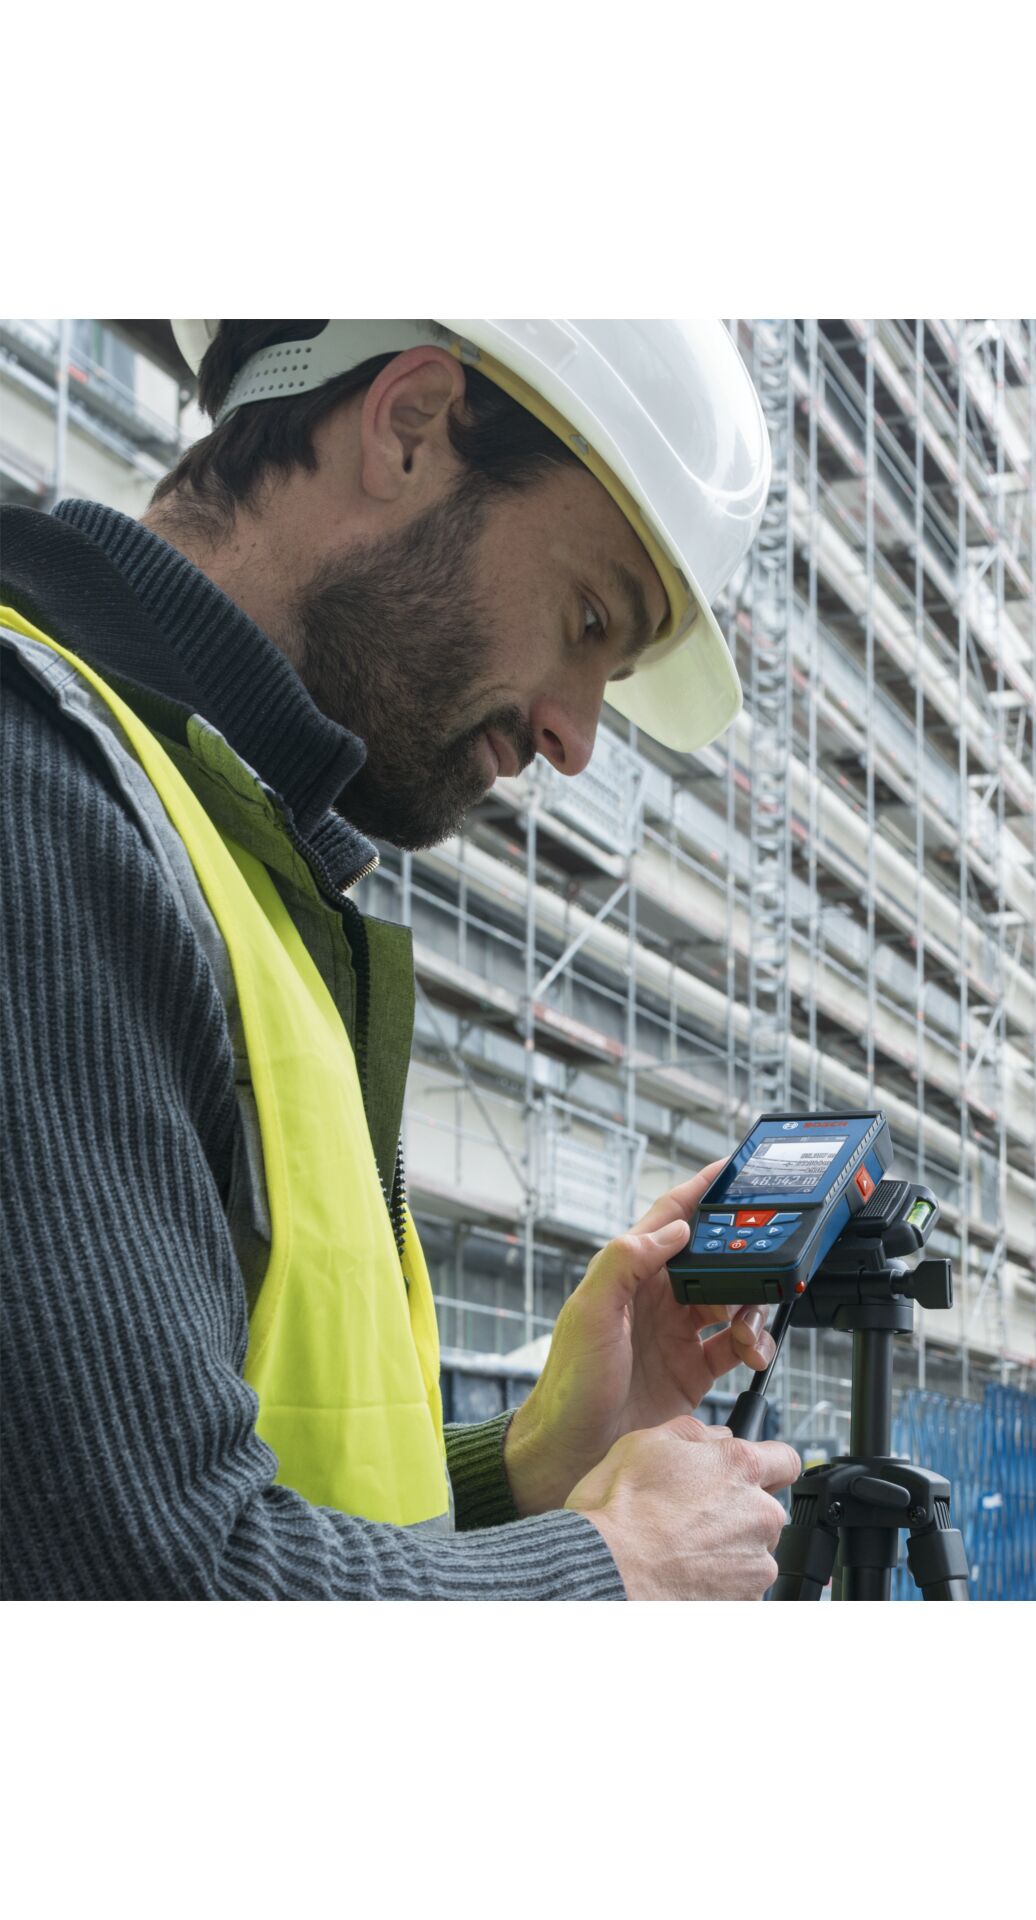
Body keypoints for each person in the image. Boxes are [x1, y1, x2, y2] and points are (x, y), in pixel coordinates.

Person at [0, 319, 801, 1599]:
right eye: (588, 616)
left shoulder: (227, 852)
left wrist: (536, 1464)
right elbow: (144, 1578)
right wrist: (611, 1573)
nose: (576, 735)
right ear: (410, 425)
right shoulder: (35, 789)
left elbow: (263, 1491)